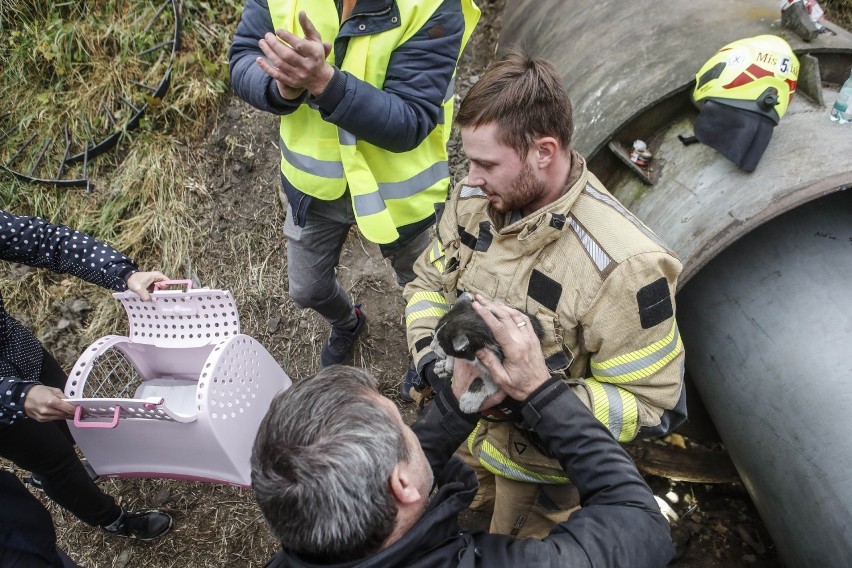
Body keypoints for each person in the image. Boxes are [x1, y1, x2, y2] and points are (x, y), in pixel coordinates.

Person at [403, 51, 688, 538]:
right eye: (469, 160)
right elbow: (428, 285)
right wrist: (435, 363)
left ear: (544, 151)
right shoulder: (476, 199)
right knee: (460, 509)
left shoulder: (625, 267)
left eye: (486, 163)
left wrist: (531, 398)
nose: (470, 177)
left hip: (539, 473)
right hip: (468, 429)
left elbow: (649, 407)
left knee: (509, 542)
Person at [251, 296, 675, 567]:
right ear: (400, 485)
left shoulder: (305, 540)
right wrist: (541, 392)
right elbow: (641, 524)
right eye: (406, 429)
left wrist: (455, 407)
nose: (415, 429)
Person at [229, 0, 480, 369]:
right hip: (315, 189)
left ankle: (431, 357)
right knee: (307, 290)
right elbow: (243, 59)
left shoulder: (433, 6)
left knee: (428, 288)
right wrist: (281, 87)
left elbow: (411, 118)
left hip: (400, 196)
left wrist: (323, 83)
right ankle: (348, 322)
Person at [0, 210, 173, 541]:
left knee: (72, 414)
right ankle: (112, 519)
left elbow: (46, 240)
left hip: (18, 349)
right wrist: (16, 396)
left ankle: (65, 465)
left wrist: (122, 274)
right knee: (54, 460)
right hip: (3, 406)